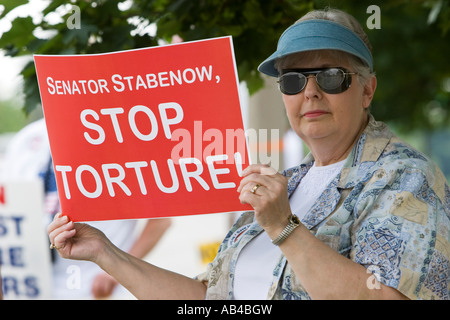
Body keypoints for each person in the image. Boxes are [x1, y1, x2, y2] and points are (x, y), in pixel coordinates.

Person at [47, 8, 450, 300]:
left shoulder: (405, 176)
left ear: (367, 89)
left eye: (330, 76)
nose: (310, 92)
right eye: (292, 81)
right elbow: (207, 299)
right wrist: (105, 253)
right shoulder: (284, 185)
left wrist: (283, 228)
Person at [1, 118, 171, 299]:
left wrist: (116, 272)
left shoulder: (118, 133)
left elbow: (160, 221)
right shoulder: (27, 138)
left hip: (94, 289)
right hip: (34, 288)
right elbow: (9, 208)